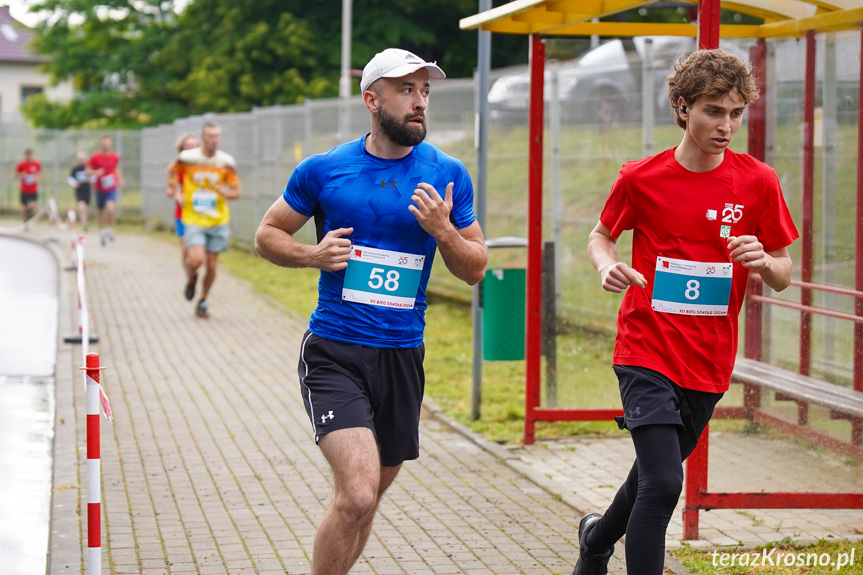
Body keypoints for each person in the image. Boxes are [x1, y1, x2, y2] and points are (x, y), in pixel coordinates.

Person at [254, 48, 487, 574]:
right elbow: (267, 235)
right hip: (336, 350)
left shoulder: (446, 174)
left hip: (403, 356)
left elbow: (474, 268)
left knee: (365, 502)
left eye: (425, 91)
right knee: (357, 495)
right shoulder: (325, 171)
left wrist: (443, 231)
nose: (419, 101)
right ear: (371, 99)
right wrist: (313, 255)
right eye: (406, 90)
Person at [575, 49, 799, 575]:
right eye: (714, 111)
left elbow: (785, 271)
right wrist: (605, 265)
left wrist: (764, 260)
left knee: (654, 474)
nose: (727, 125)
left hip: (709, 358)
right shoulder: (641, 177)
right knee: (665, 485)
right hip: (646, 347)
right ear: (682, 108)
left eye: (736, 113)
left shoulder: (758, 181)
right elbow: (601, 235)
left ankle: (596, 538)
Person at [170, 121, 241, 318]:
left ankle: (203, 300)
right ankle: (192, 277)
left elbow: (237, 192)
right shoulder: (187, 158)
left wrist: (225, 192)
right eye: (210, 136)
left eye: (217, 136)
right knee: (195, 258)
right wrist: (177, 192)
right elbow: (171, 173)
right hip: (193, 217)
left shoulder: (226, 162)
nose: (214, 140)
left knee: (211, 265)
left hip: (218, 220)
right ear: (203, 138)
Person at [165, 133, 201, 289]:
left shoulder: (204, 164)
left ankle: (194, 271)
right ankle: (190, 278)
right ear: (181, 149)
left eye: (194, 145)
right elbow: (171, 177)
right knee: (186, 249)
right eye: (188, 146)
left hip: (202, 214)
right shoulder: (177, 165)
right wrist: (175, 192)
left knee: (200, 252)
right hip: (183, 213)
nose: (191, 149)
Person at [87, 135, 124, 246]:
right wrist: (96, 172)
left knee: (111, 208)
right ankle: (101, 231)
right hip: (99, 188)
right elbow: (88, 170)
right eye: (104, 143)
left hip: (111, 187)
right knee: (101, 211)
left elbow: (116, 168)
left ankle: (110, 228)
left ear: (110, 144)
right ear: (101, 144)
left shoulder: (114, 157)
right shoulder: (95, 157)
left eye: (108, 143)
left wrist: (120, 179)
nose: (106, 145)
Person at [15, 148, 40, 224]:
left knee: (33, 205)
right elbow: (16, 174)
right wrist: (22, 175)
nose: (28, 156)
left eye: (29, 155)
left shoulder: (36, 163)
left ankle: (30, 213)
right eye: (27, 155)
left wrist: (36, 178)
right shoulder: (21, 164)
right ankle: (25, 222)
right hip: (24, 189)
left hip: (33, 189)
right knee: (24, 207)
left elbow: (39, 173)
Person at [68, 151, 92, 231]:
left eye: (83, 159)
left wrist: (91, 179)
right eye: (80, 159)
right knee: (81, 206)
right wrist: (74, 183)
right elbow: (70, 178)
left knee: (87, 208)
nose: (81, 161)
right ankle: (84, 224)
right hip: (79, 191)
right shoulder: (75, 169)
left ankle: (85, 221)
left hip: (87, 190)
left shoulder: (88, 168)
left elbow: (94, 176)